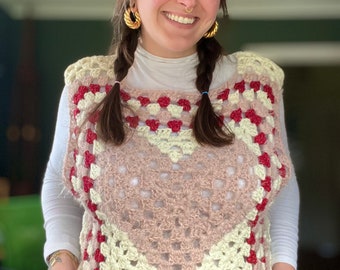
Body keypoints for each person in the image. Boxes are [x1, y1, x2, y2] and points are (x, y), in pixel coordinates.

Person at [41, 0, 300, 269]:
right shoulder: (87, 91)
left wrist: (284, 263)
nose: (188, 3)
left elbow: (281, 190)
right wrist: (62, 258)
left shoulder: (256, 91)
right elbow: (60, 183)